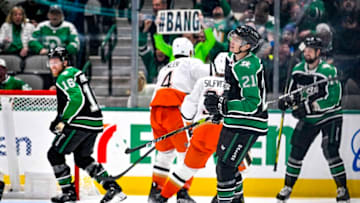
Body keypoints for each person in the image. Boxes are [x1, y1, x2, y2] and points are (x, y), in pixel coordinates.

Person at [153, 53, 251, 203]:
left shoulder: (203, 82)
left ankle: (162, 198)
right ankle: (225, 196)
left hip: (202, 132)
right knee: (241, 164)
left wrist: (189, 125)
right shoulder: (237, 86)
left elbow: (187, 110)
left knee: (186, 169)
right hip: (226, 133)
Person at [46, 47, 126, 203]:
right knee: (83, 158)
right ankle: (113, 188)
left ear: (65, 62)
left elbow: (76, 100)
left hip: (80, 122)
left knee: (54, 154)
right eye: (50, 62)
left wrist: (62, 120)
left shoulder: (64, 76)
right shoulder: (76, 73)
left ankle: (68, 193)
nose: (52, 65)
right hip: (94, 122)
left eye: (56, 61)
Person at [276, 37, 350, 203]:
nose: (307, 52)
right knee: (296, 151)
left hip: (330, 116)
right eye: (306, 49)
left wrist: (310, 107)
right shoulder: (297, 70)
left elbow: (334, 98)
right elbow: (292, 94)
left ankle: (342, 189)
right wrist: (286, 101)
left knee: (330, 149)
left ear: (318, 53)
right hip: (310, 119)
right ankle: (288, 187)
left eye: (311, 49)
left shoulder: (328, 71)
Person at [204, 25, 267, 203]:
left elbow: (252, 103)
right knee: (225, 164)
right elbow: (230, 90)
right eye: (233, 38)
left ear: (247, 46)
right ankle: (237, 200)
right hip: (235, 120)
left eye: (238, 40)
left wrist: (224, 107)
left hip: (249, 123)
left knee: (225, 168)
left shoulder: (246, 66)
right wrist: (220, 109)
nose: (232, 42)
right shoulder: (232, 59)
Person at [148, 37, 211, 203]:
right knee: (188, 155)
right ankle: (182, 193)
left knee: (164, 154)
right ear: (190, 52)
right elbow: (213, 72)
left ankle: (155, 192)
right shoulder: (192, 63)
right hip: (174, 108)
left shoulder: (165, 68)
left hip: (155, 110)